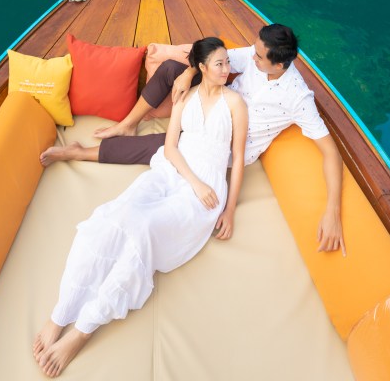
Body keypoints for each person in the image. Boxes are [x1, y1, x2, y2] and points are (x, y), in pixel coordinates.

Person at [33, 37, 248, 378]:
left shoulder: (235, 103)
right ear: (202, 68)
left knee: (142, 230)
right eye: (219, 64)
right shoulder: (185, 96)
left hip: (204, 193)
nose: (227, 69)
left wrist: (230, 209)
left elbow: (236, 159)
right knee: (113, 217)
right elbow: (171, 147)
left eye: (227, 63)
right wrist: (190, 179)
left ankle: (82, 330)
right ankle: (61, 313)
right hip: (173, 171)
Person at [40, 23, 345, 256]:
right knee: (172, 69)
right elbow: (218, 59)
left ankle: (81, 153)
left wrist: (331, 211)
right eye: (253, 50)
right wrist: (188, 73)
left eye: (259, 56)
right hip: (211, 104)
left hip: (222, 141)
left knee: (162, 148)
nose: (250, 57)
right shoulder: (255, 60)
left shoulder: (298, 98)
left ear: (279, 65)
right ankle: (127, 124)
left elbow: (331, 153)